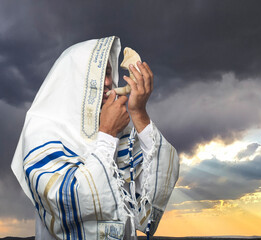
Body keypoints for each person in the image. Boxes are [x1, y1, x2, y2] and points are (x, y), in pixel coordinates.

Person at [11, 36, 179, 240]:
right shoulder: (42, 130)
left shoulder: (119, 128)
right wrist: (107, 134)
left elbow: (150, 197)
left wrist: (139, 113)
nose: (108, 82)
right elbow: (68, 203)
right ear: (74, 79)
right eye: (100, 75)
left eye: (109, 74)